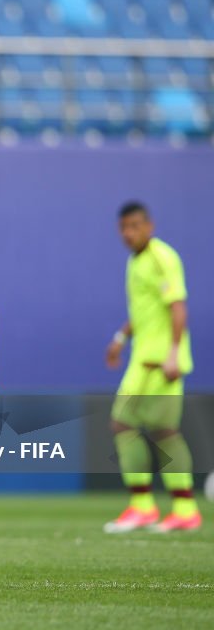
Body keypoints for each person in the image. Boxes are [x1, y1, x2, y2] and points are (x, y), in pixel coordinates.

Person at [103, 202, 201, 533]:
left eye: (135, 226)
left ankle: (149, 506)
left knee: (128, 425)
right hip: (143, 360)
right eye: (124, 228)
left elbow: (177, 306)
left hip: (159, 363)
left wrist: (174, 353)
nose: (129, 233)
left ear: (149, 226)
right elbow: (146, 310)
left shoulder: (162, 257)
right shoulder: (137, 260)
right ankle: (179, 508)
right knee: (156, 431)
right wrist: (121, 337)